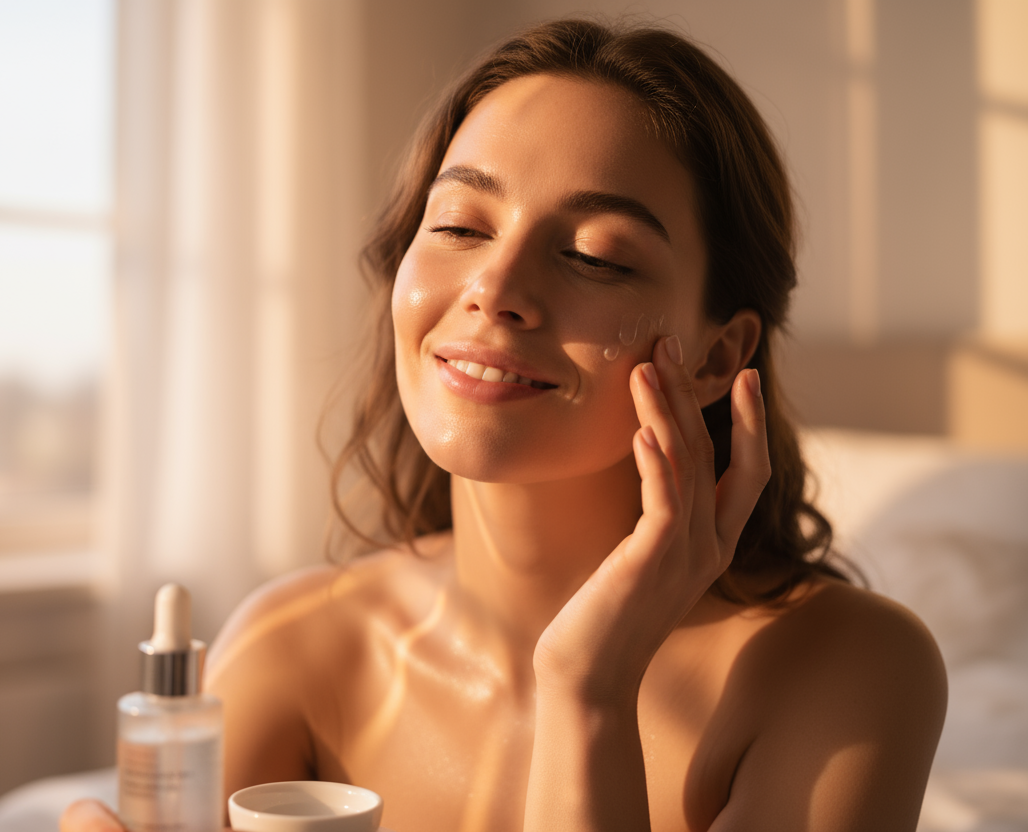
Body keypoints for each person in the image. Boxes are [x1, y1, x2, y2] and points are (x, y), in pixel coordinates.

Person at [63, 18, 946, 832]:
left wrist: (589, 689)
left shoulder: (847, 671)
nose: (495, 287)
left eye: (595, 255)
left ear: (717, 356)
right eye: (458, 225)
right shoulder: (292, 649)